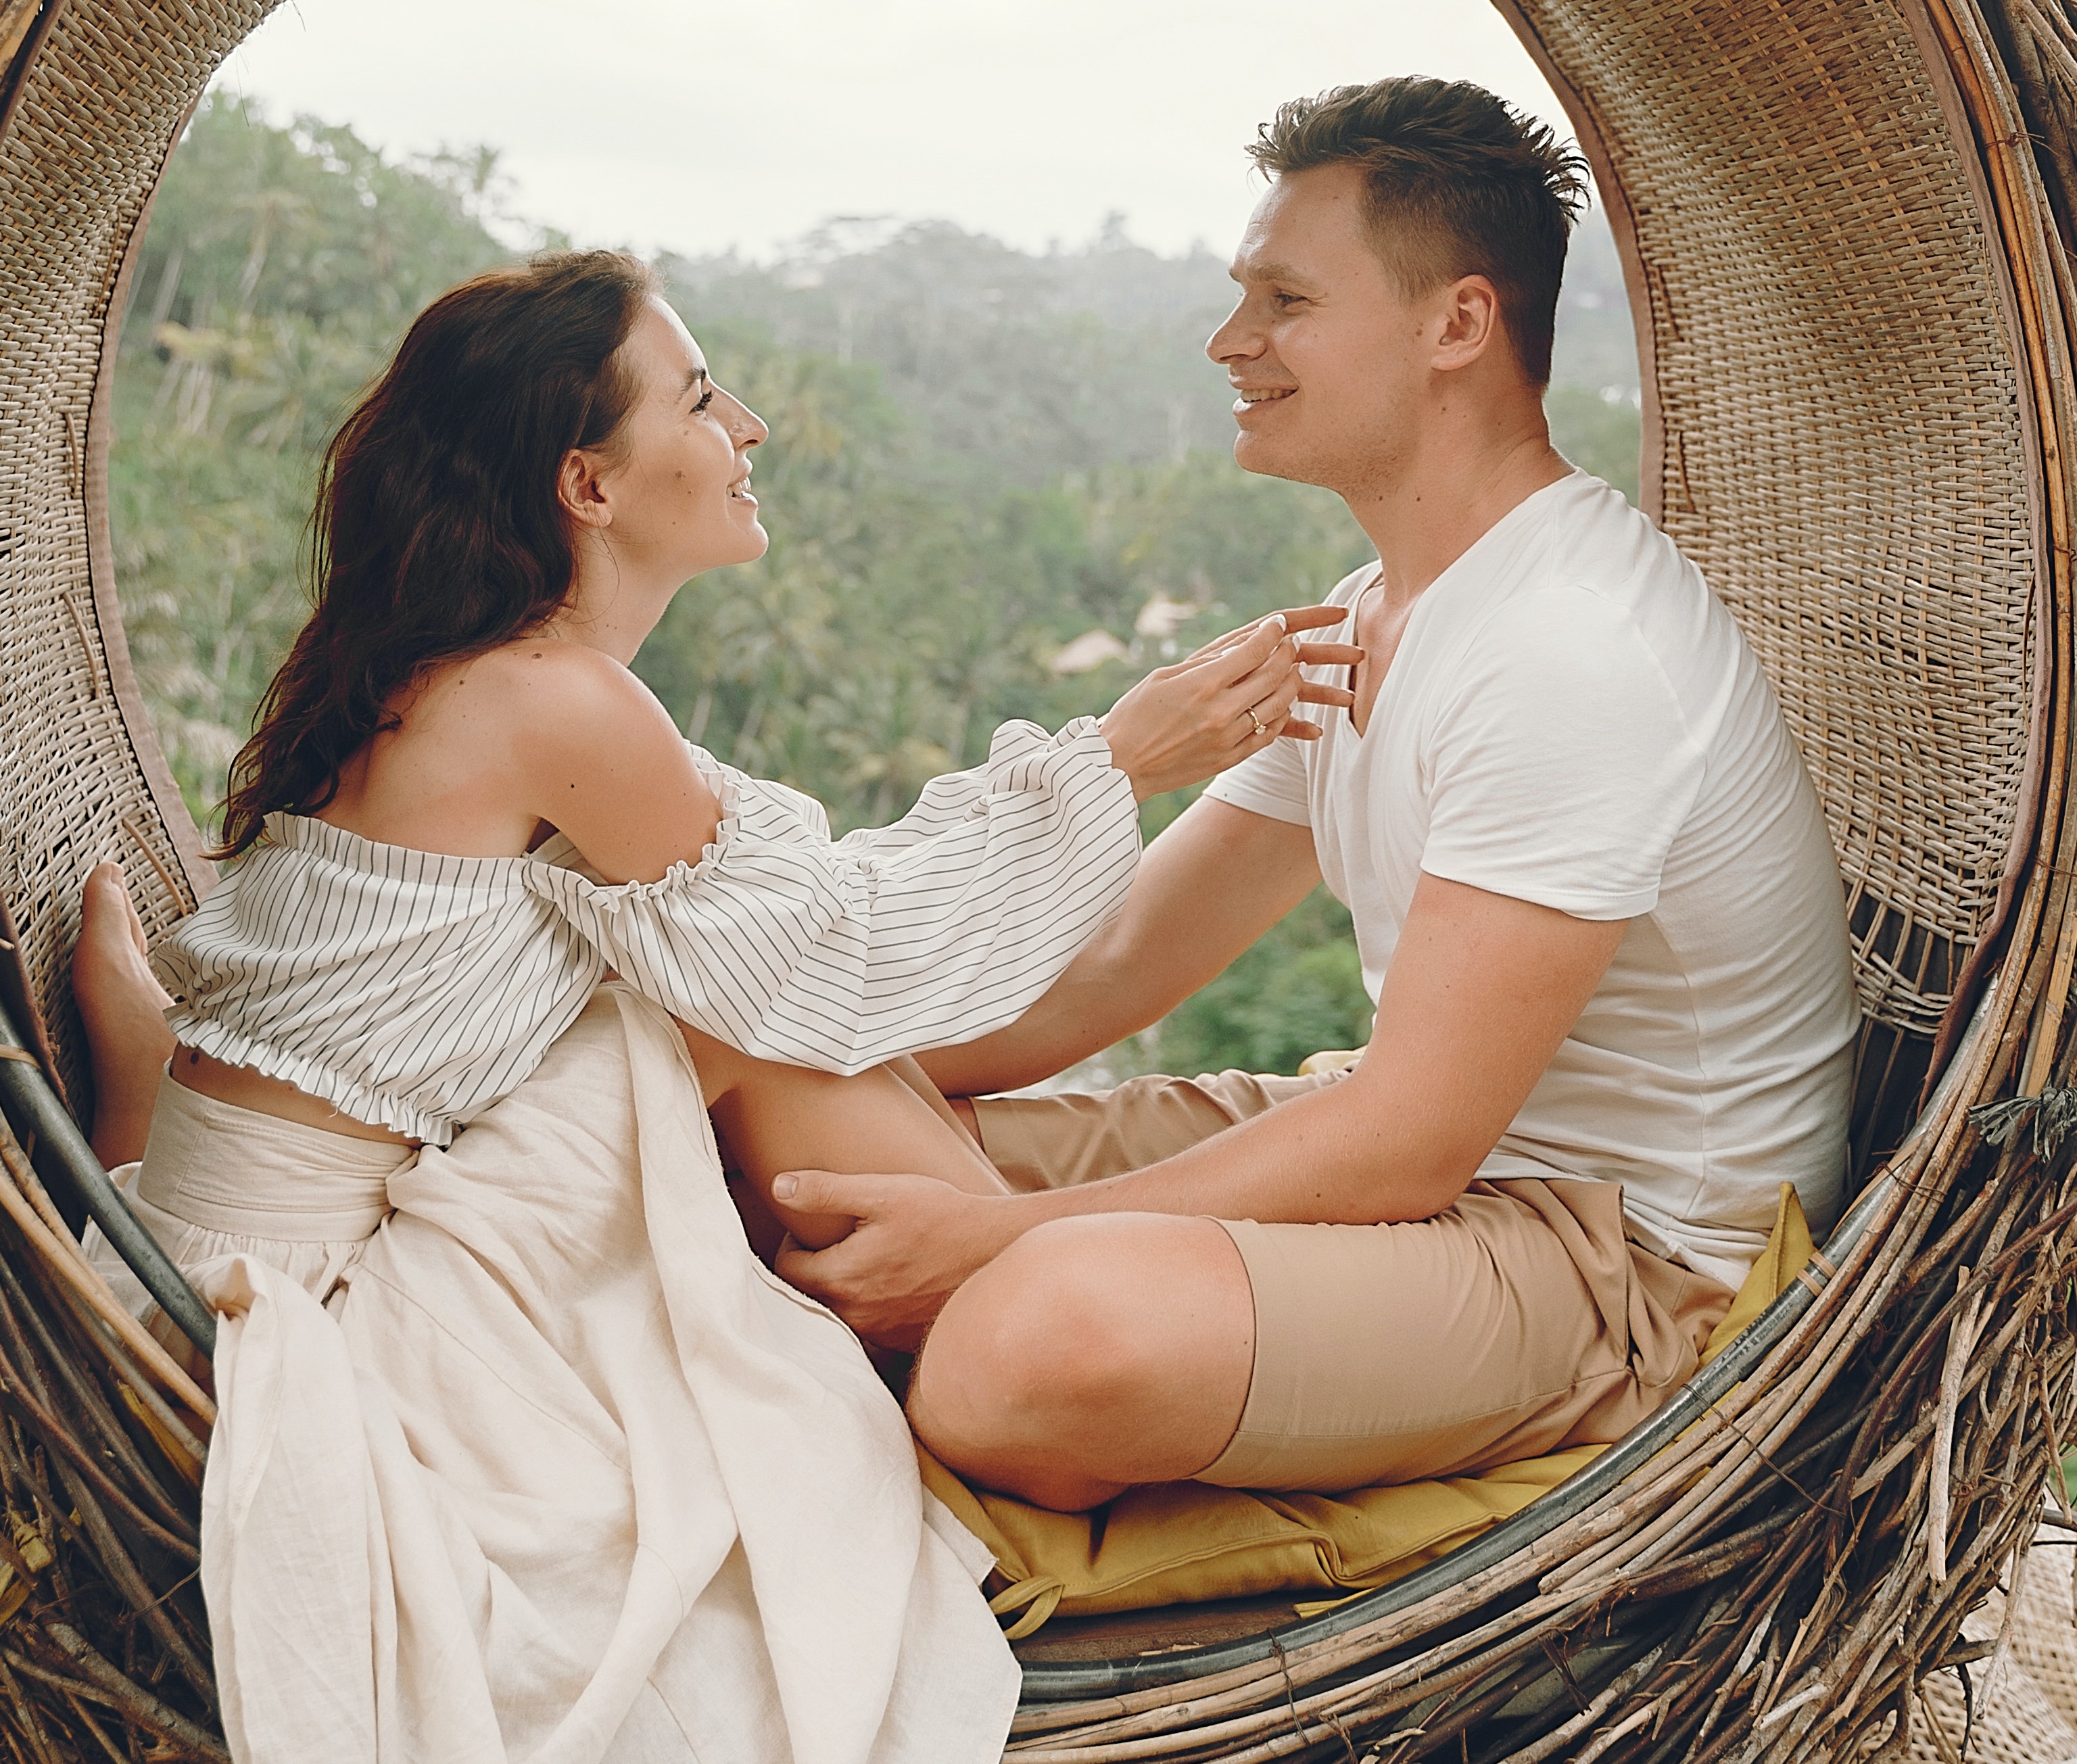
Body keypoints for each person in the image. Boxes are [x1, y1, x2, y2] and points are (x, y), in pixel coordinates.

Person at [68, 244, 1329, 1764]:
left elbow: (801, 924)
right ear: (589, 481)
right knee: (707, 1025)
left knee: (672, 1008)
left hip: (263, 1208)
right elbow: (839, 956)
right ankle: (1044, 1335)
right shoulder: (556, 706)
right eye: (699, 396)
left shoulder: (489, 683)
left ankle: (1021, 1287)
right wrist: (1122, 755)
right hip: (304, 1300)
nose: (746, 426)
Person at [764, 77, 1863, 1517]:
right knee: (794, 1115)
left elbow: (1409, 1140)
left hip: (1620, 1262)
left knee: (1035, 1339)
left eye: (1284, 301)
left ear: (1455, 326)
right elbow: (1110, 967)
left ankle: (994, 1328)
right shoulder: (1366, 620)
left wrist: (992, 1242)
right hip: (1416, 1170)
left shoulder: (1570, 647)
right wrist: (828, 1046)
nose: (1231, 341)